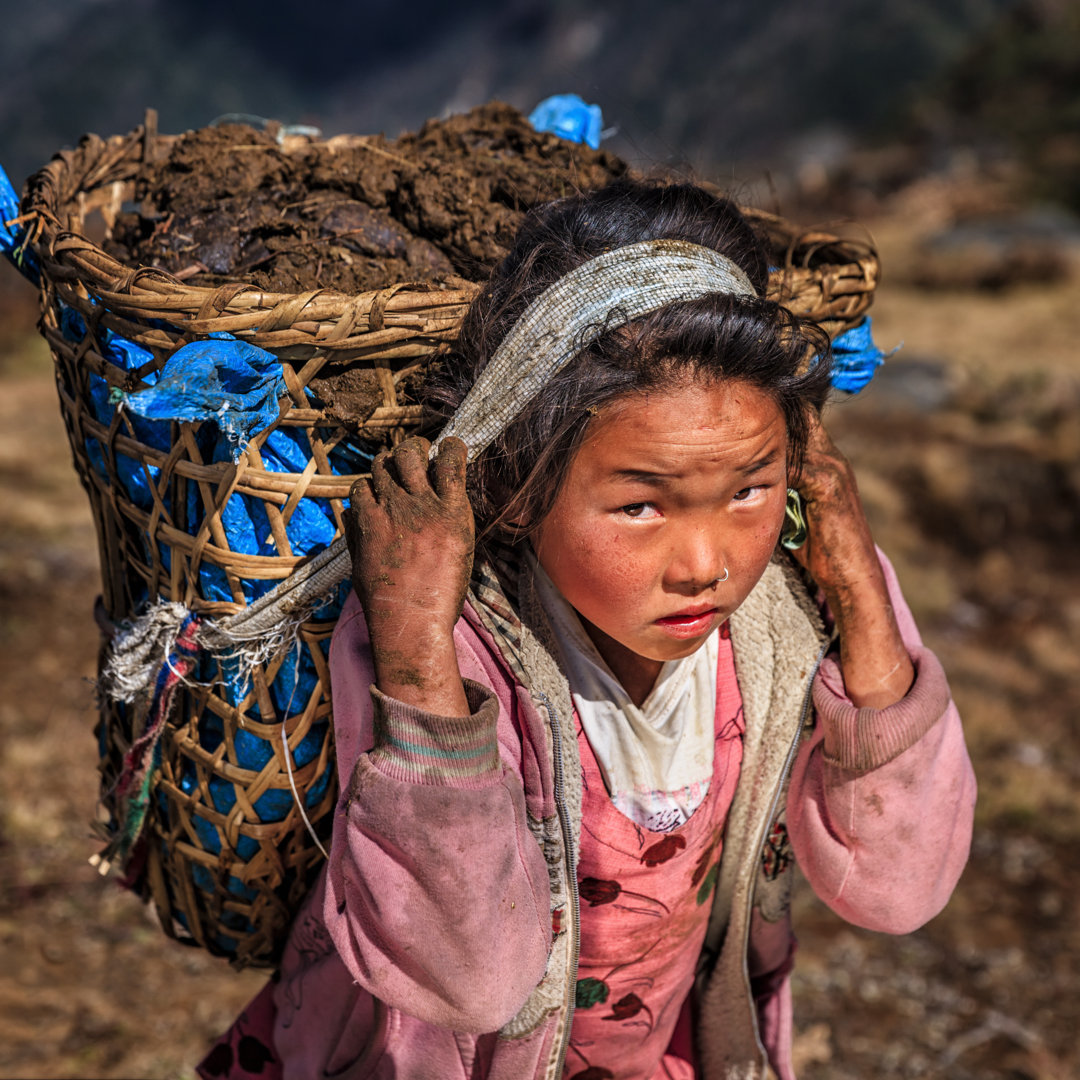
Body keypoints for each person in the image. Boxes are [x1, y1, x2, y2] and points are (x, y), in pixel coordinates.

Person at [198, 178, 975, 1080]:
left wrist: (852, 571)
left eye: (750, 491)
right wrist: (413, 656)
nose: (705, 563)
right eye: (641, 505)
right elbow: (471, 982)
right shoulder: (446, 641)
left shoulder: (782, 626)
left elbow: (899, 886)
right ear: (521, 491)